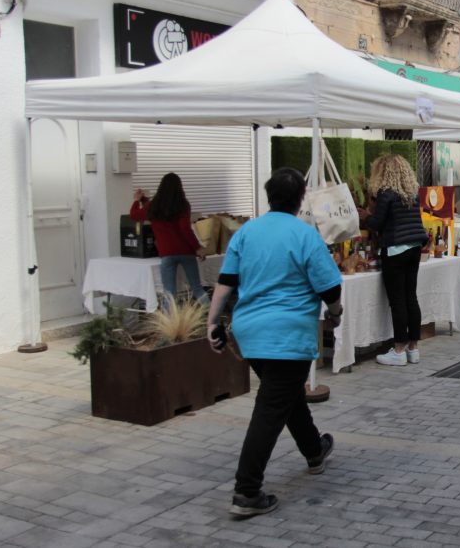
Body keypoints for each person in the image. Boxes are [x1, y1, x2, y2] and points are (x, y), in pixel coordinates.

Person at [205, 167, 342, 517]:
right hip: (288, 335)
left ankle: (315, 450)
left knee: (286, 397)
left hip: (251, 334)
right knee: (270, 410)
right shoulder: (305, 234)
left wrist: (211, 322)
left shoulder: (247, 232)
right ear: (300, 200)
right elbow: (330, 288)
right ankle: (246, 491)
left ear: (269, 197)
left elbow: (226, 280)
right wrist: (336, 313)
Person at [361, 154, 429, 366]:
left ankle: (398, 349)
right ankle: (413, 348)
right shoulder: (411, 193)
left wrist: (364, 216)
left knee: (397, 301)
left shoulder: (385, 193)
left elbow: (377, 223)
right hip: (415, 247)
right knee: (411, 297)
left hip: (395, 249)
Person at [130, 173, 209, 305]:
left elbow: (134, 216)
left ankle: (170, 324)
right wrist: (198, 248)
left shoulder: (153, 206)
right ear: (180, 187)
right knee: (197, 288)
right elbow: (185, 229)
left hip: (166, 253)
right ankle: (213, 319)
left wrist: (136, 200)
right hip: (186, 252)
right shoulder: (183, 205)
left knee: (169, 293)